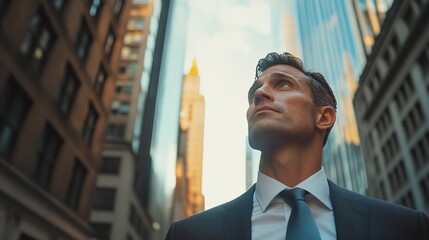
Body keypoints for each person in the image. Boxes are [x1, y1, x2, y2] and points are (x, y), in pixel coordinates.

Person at [165, 52, 429, 240]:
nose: (259, 94)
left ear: (324, 117)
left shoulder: (407, 228)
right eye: (254, 91)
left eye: (283, 83)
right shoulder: (189, 234)